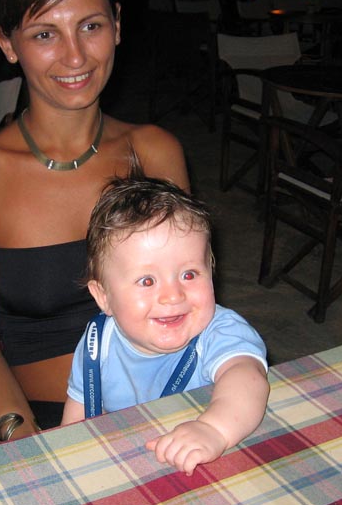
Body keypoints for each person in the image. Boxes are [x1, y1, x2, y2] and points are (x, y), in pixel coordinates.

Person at [0, 0, 189, 441]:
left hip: (163, 408)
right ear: (6, 43)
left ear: (117, 24)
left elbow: (192, 304)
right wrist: (20, 433)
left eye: (90, 27)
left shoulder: (155, 152)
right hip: (40, 423)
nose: (75, 57)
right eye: (44, 34)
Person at [61, 177, 270, 475]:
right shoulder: (97, 343)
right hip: (135, 464)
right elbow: (79, 412)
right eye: (147, 281)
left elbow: (248, 379)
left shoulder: (220, 331)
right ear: (104, 297)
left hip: (209, 463)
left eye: (189, 274)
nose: (173, 296)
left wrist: (213, 429)